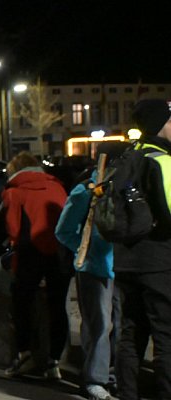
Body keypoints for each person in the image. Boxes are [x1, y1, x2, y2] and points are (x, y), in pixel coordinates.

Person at [55, 143, 129, 400]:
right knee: (100, 326)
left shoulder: (125, 188)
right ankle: (95, 381)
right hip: (94, 268)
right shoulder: (86, 191)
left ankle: (114, 376)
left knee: (121, 326)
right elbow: (63, 231)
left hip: (123, 268)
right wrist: (85, 250)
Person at [0, 152, 70, 379]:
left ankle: (25, 355)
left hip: (30, 255)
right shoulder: (57, 187)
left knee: (21, 303)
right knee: (57, 308)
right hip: (59, 255)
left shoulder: (14, 192)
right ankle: (54, 362)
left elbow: (13, 229)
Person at [113, 99, 171, 400]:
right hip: (159, 262)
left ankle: (127, 395)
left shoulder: (128, 156)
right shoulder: (161, 160)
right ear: (160, 125)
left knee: (130, 334)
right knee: (166, 337)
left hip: (125, 261)